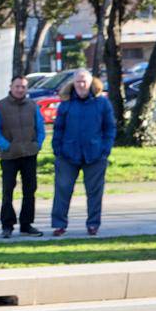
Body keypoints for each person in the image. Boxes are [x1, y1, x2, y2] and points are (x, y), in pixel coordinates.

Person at [50, 68, 117, 236]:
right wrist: (57, 150)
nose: (81, 84)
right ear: (73, 83)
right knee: (62, 189)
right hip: (67, 155)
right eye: (78, 81)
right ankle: (59, 224)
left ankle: (93, 224)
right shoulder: (66, 103)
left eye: (84, 81)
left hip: (95, 155)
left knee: (94, 192)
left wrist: (105, 150)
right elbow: (58, 128)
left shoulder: (102, 103)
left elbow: (109, 128)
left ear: (90, 82)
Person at [0, 74, 45, 238]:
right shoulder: (0, 106)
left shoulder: (33, 106)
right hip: (9, 156)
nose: (20, 89)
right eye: (17, 86)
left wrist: (37, 144)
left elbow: (40, 128)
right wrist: (8, 146)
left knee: (30, 190)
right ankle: (7, 225)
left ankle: (26, 224)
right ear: (11, 87)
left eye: (23, 87)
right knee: (8, 191)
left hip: (29, 154)